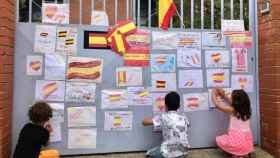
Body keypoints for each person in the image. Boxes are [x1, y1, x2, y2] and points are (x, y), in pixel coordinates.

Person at [143, 92, 190, 158]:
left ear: (165, 106)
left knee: (149, 153)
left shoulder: (163, 117)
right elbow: (187, 125)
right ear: (179, 106)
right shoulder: (184, 117)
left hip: (167, 153)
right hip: (184, 151)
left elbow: (144, 122)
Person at [212, 88, 254, 158]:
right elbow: (231, 102)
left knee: (219, 139)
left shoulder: (233, 110)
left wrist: (213, 93)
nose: (230, 97)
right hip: (247, 145)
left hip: (236, 143)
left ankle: (237, 153)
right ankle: (242, 153)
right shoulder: (247, 110)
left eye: (231, 97)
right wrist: (223, 94)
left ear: (236, 102)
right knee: (241, 145)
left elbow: (217, 105)